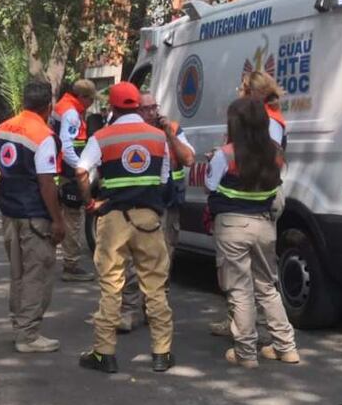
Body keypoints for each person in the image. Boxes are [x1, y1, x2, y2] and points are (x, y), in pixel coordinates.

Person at [75, 82, 174, 374]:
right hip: (148, 220)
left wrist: (89, 202)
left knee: (111, 285)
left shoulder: (102, 137)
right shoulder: (158, 137)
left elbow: (82, 171)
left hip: (114, 220)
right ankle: (162, 353)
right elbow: (164, 178)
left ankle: (104, 353)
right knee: (155, 286)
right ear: (136, 106)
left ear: (114, 107)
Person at [0, 81, 67, 353]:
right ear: (47, 107)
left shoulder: (3, 128)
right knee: (37, 274)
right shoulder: (44, 135)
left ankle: (19, 323)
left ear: (24, 103)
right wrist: (58, 220)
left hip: (9, 211)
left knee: (18, 273)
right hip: (35, 216)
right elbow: (46, 183)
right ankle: (28, 335)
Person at [205, 98, 299, 368]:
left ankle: (245, 353)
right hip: (264, 226)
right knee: (267, 287)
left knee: (239, 290)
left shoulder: (226, 153)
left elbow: (211, 186)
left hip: (233, 226)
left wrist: (214, 161)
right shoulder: (276, 153)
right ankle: (285, 347)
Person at [210, 71, 287, 338]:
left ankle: (250, 329)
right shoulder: (265, 116)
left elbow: (263, 158)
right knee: (255, 276)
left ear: (253, 92)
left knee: (250, 277)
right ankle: (242, 324)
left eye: (242, 89)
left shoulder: (265, 120)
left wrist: (228, 160)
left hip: (251, 200)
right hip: (258, 198)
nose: (239, 92)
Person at [118, 93, 196, 331]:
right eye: (146, 108)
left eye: (154, 107)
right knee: (131, 260)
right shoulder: (129, 131)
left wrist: (170, 135)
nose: (151, 112)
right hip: (136, 205)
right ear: (136, 110)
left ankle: (154, 309)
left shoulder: (172, 128)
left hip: (166, 206)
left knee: (162, 260)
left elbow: (188, 159)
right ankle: (130, 310)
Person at [50, 78, 99, 283]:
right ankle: (71, 265)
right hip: (71, 172)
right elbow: (67, 146)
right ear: (82, 97)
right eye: (90, 99)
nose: (90, 104)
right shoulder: (71, 113)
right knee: (73, 219)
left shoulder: (64, 106)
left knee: (63, 216)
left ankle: (58, 259)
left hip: (64, 170)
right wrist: (83, 167)